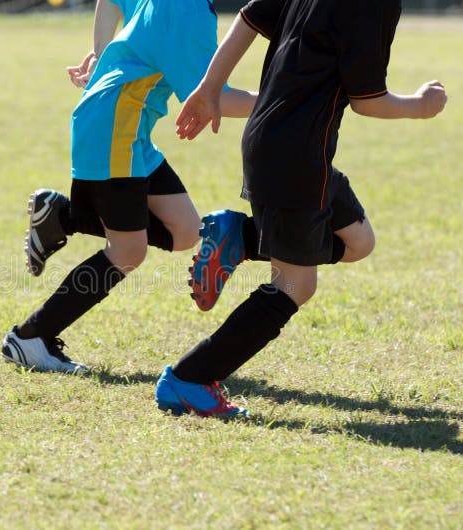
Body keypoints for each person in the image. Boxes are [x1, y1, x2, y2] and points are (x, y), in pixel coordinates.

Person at [155, 0, 448, 416]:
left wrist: (210, 87)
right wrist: (419, 106)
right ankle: (189, 378)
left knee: (357, 241)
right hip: (298, 158)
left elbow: (247, 18)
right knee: (295, 285)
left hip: (282, 146)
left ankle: (241, 236)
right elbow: (367, 99)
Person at [1, 0, 257, 373]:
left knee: (184, 229)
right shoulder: (188, 12)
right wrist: (288, 99)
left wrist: (103, 57)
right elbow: (208, 97)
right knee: (127, 251)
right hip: (113, 129)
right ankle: (30, 338)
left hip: (131, 132)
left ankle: (63, 217)